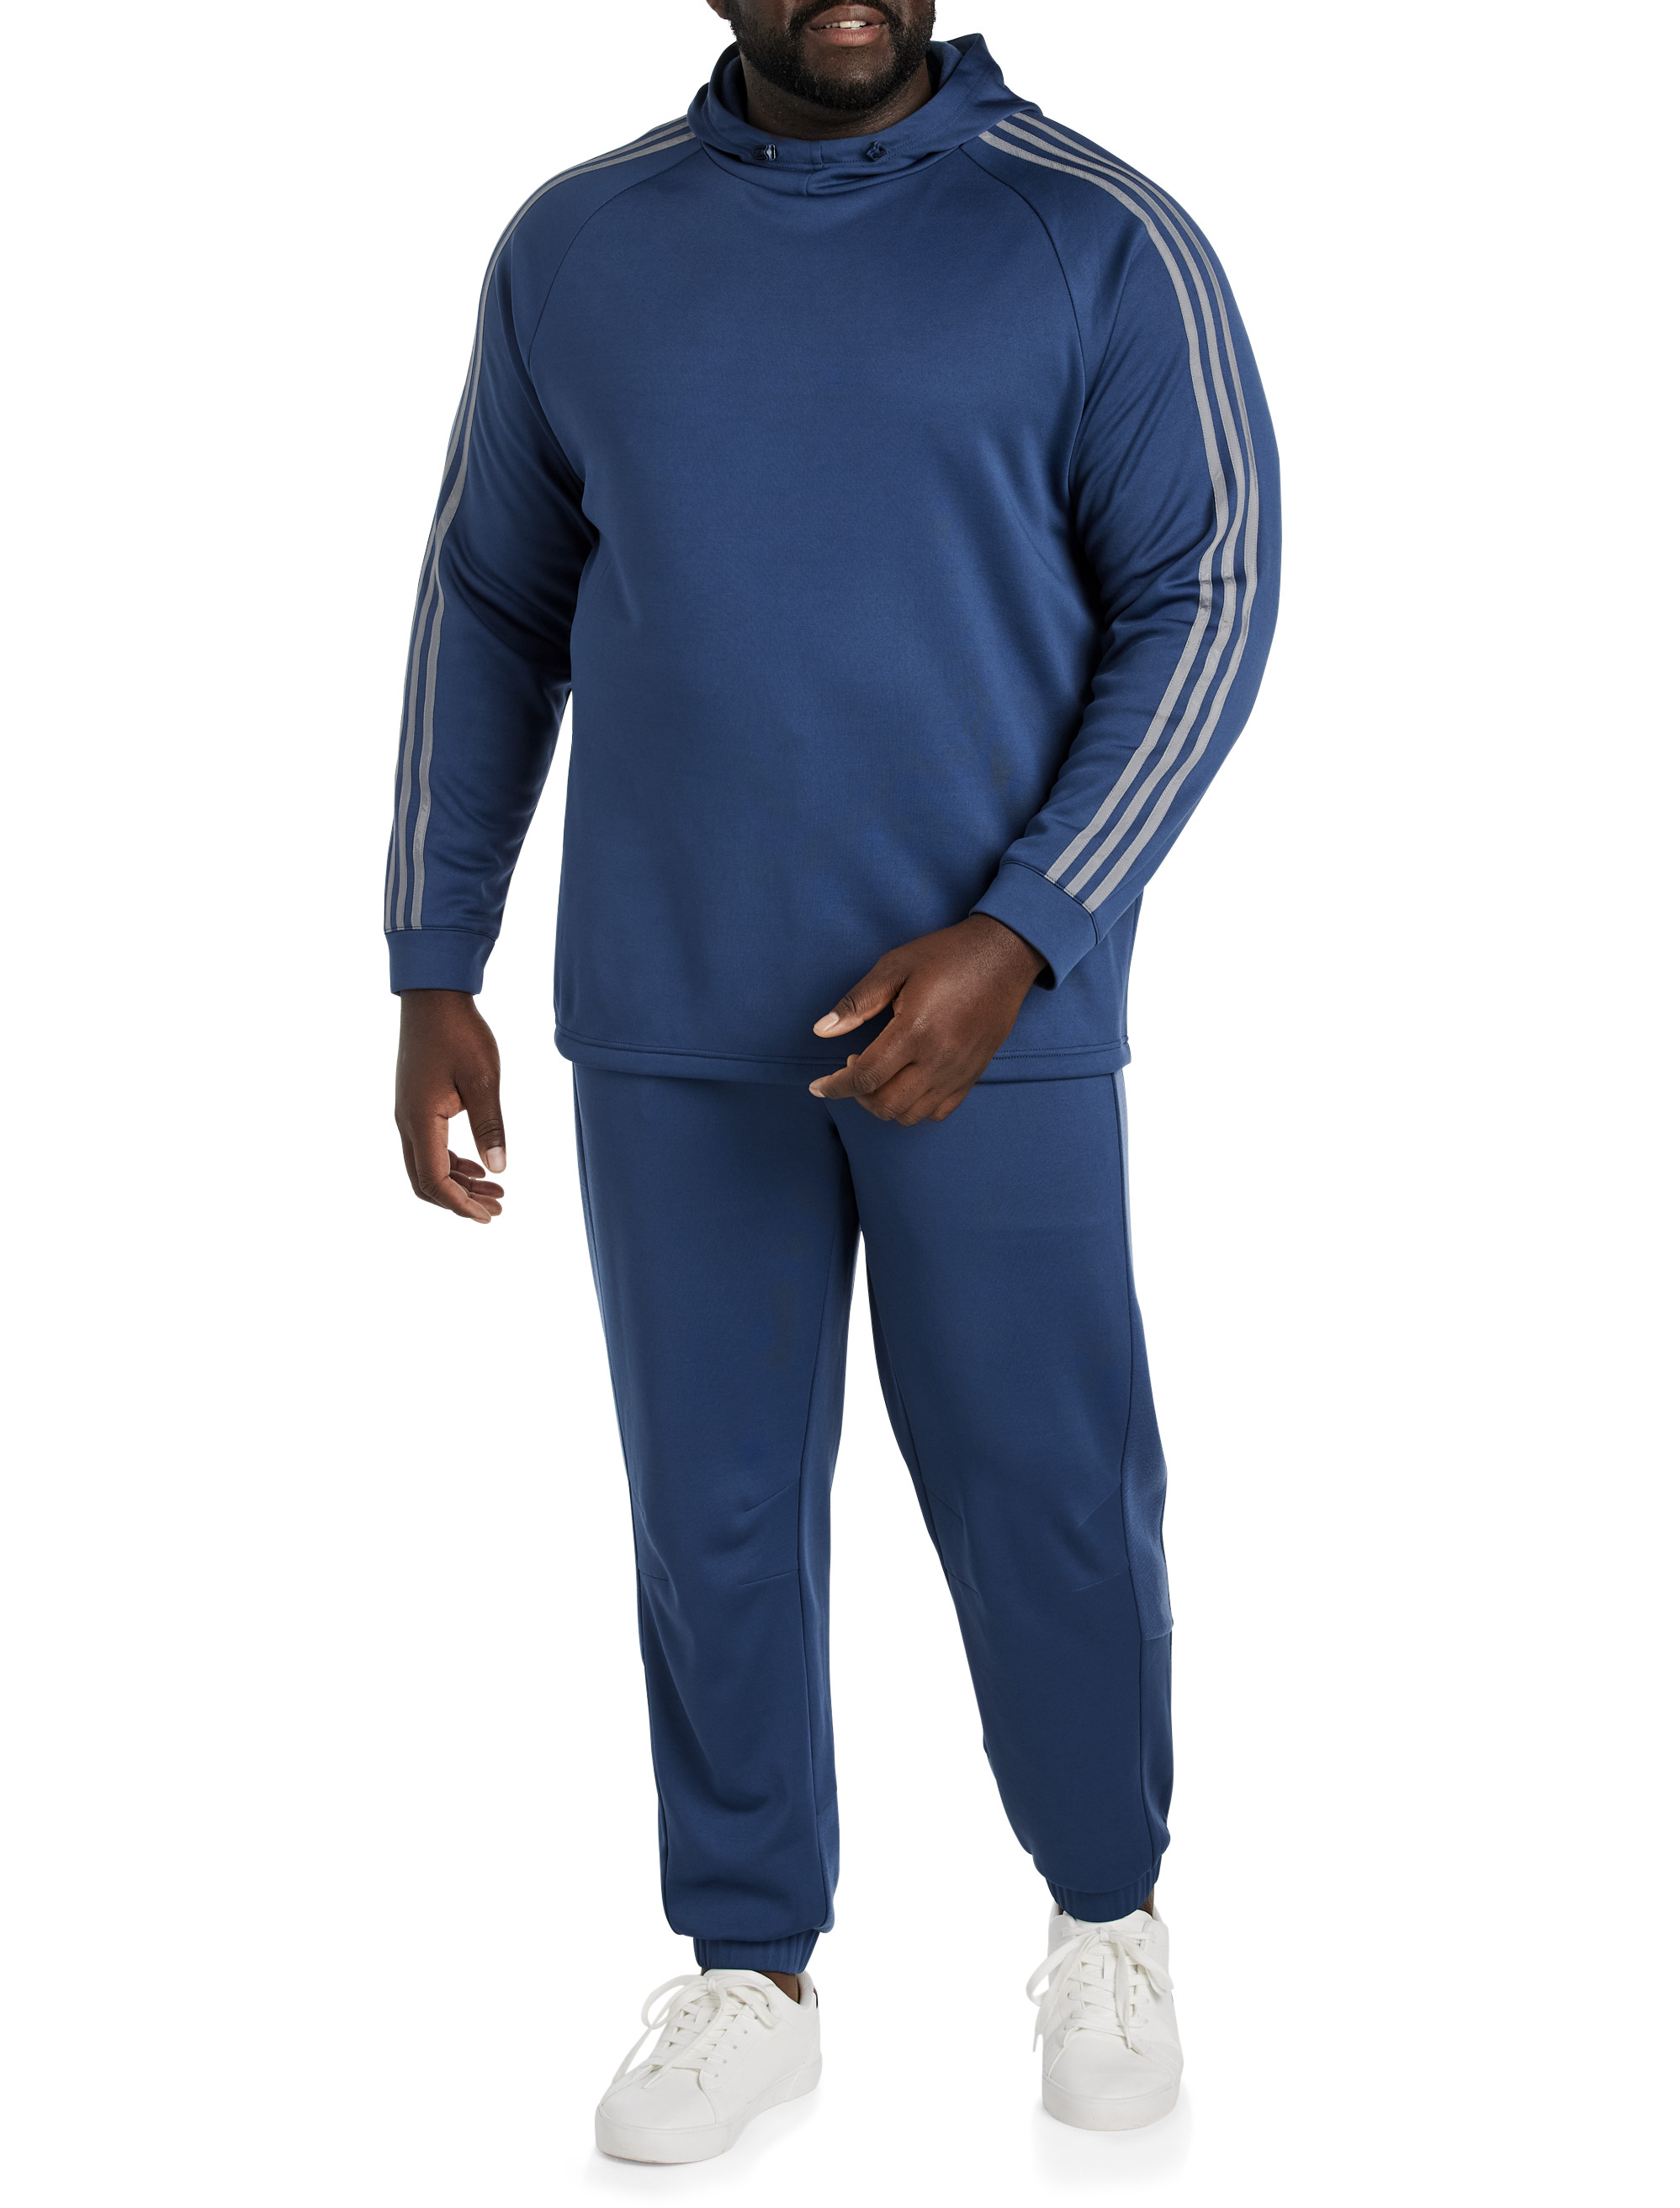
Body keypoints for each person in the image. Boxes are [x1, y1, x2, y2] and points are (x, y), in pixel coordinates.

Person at [388, 0, 1278, 2163]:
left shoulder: (1093, 237)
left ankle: (1108, 1916)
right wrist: (435, 958)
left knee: (1045, 1489)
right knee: (709, 1513)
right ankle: (749, 1962)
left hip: (995, 1024)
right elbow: (490, 601)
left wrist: (1026, 928)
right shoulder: (578, 248)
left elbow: (1208, 594)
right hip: (672, 1006)